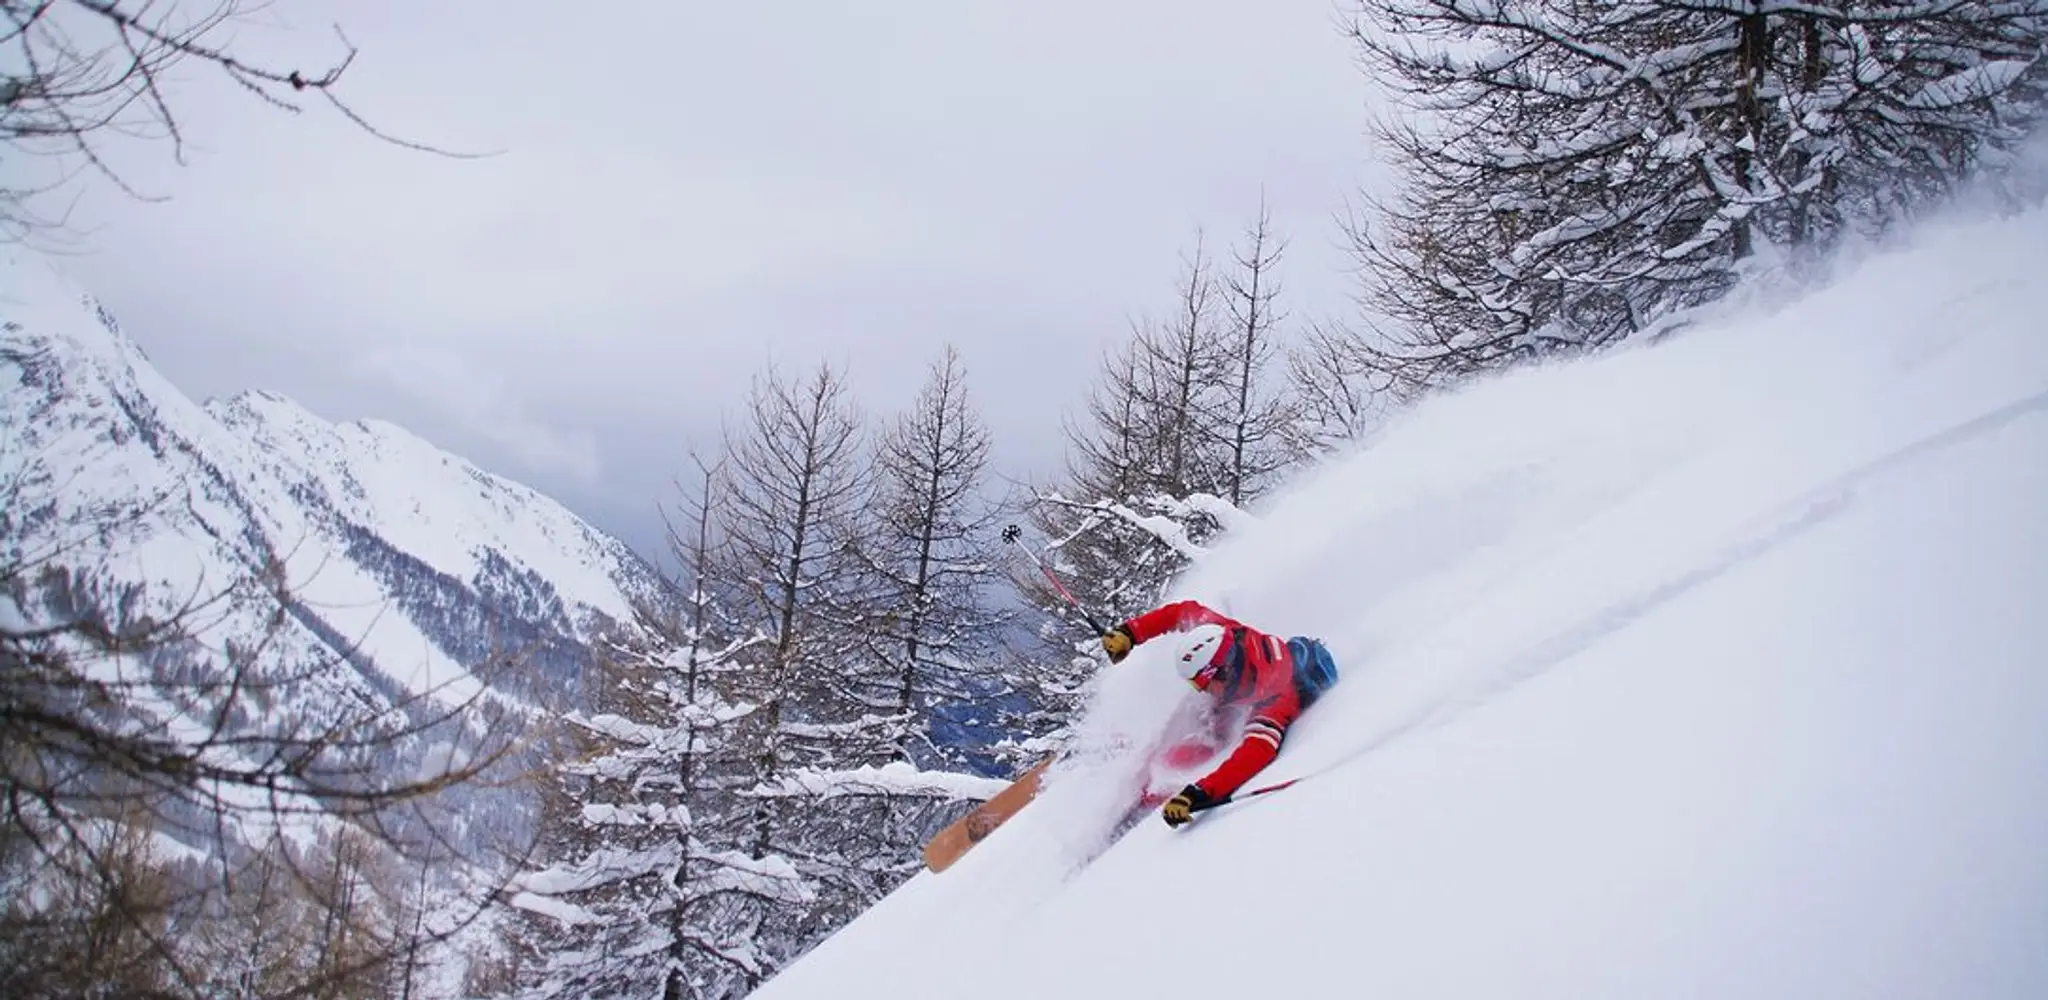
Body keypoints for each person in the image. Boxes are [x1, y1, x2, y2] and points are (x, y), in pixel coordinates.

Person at [1101, 600, 1339, 827]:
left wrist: (1198, 794)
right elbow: (1180, 613)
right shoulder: (1223, 634)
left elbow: (1256, 751)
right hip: (1237, 697)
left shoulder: (1276, 695)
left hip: (1246, 705)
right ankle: (1137, 774)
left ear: (1224, 670)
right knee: (1184, 720)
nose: (1202, 689)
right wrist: (1130, 633)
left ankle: (1147, 797)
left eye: (1202, 683)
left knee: (1203, 744)